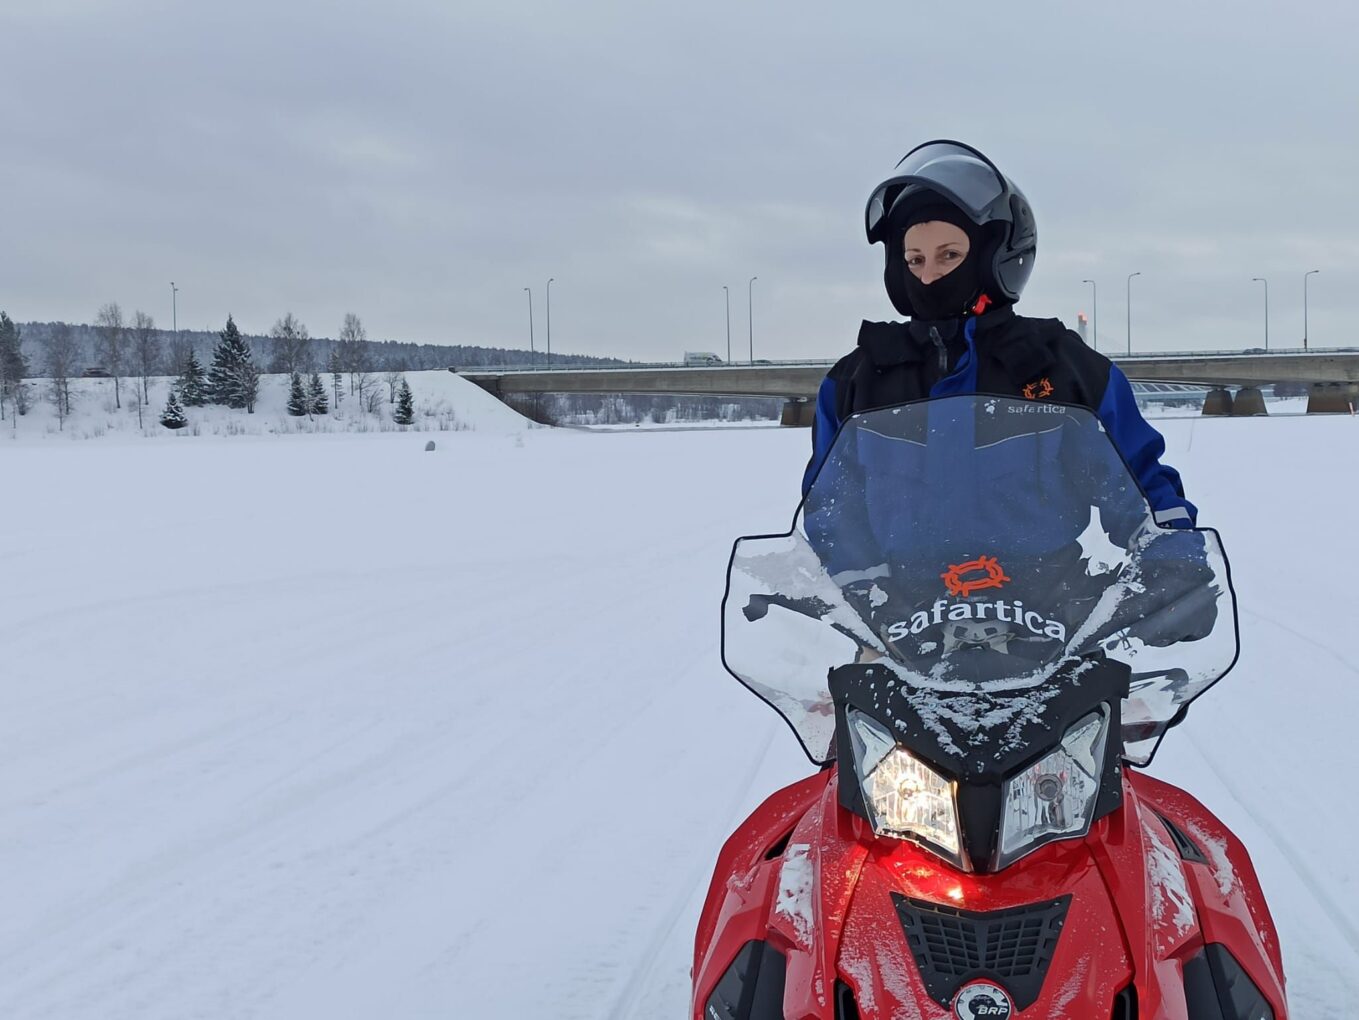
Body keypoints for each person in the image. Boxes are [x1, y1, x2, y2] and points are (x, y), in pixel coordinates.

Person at [802, 140, 1196, 536]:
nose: (928, 276)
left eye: (949, 255)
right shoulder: (857, 381)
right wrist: (857, 586)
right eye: (915, 260)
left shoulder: (1060, 366)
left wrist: (1171, 553)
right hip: (892, 595)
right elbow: (831, 509)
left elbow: (1140, 486)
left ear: (995, 256)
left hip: (1052, 594)